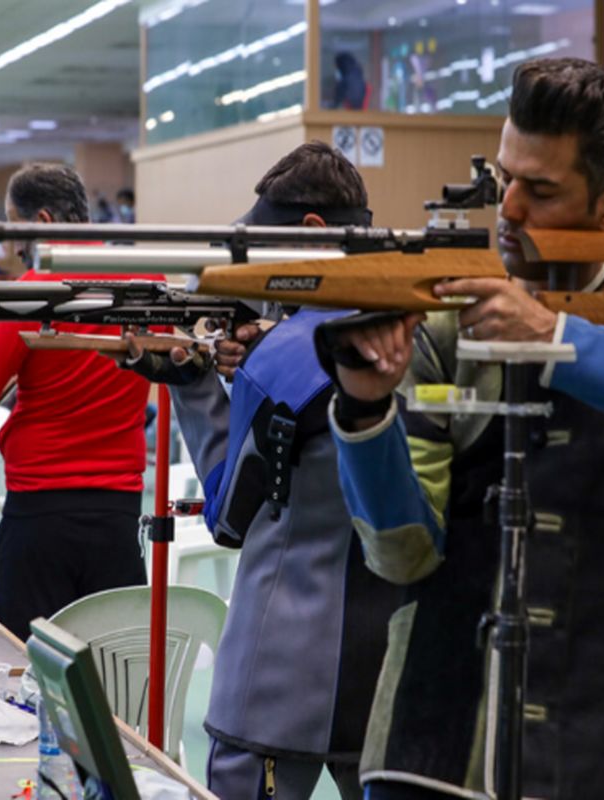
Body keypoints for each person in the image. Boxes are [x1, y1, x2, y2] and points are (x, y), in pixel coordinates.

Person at [319, 58, 604, 799]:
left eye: (542, 190)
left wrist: (556, 335)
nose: (510, 210)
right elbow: (402, 556)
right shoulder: (445, 324)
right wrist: (366, 411)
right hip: (437, 743)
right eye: (505, 179)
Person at [125, 141, 400, 799]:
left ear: (309, 230)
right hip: (399, 677)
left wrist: (192, 382)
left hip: (282, 678)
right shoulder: (416, 334)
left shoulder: (280, 360)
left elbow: (227, 515)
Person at [0, 163, 151, 639]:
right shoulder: (145, 285)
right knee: (114, 679)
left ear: (45, 222)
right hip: (118, 516)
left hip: (41, 519)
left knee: (31, 682)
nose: (12, 247)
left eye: (15, 227)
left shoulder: (29, 293)